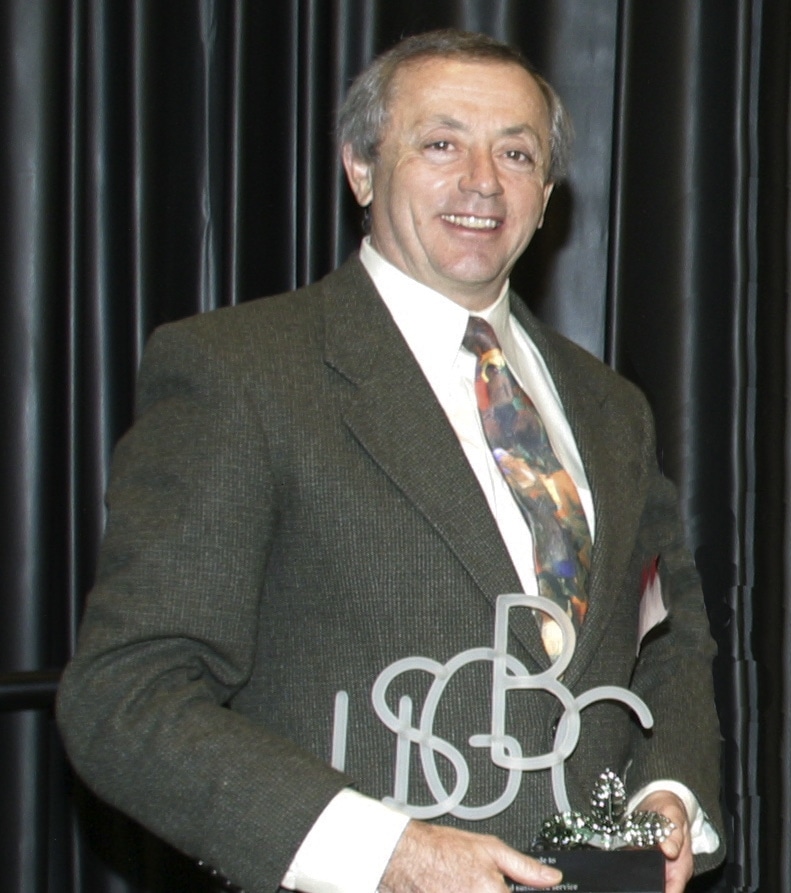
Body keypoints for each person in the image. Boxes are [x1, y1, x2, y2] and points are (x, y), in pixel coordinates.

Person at [56, 28, 724, 893]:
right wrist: (384, 854)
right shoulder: (243, 370)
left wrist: (669, 789)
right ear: (361, 169)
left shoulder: (610, 407)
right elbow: (124, 696)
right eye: (441, 143)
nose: (482, 180)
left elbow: (669, 635)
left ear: (547, 192)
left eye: (515, 152)